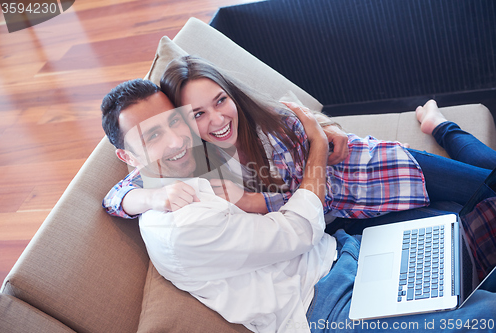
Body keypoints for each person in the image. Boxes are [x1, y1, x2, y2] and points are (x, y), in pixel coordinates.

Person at [100, 79, 496, 333]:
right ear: (128, 156)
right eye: (152, 135)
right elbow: (299, 231)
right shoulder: (182, 223)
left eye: (175, 121)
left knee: (470, 243)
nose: (174, 141)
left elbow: (306, 119)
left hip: (345, 248)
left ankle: (442, 131)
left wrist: (328, 130)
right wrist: (144, 197)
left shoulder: (190, 157)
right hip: (322, 305)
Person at [103, 55, 495, 225]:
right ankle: (440, 128)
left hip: (378, 169)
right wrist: (153, 198)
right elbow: (116, 196)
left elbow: (316, 123)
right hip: (351, 217)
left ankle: (440, 127)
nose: (218, 119)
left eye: (221, 101)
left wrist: (329, 132)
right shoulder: (190, 160)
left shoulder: (266, 119)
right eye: (198, 114)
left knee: (489, 185)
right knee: (461, 229)